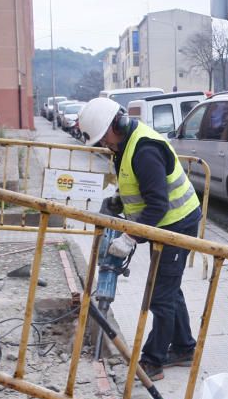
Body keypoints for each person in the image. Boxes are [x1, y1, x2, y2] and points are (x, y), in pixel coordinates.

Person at [78, 97, 202, 381]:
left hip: (177, 224)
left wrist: (130, 237)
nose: (102, 145)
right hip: (164, 225)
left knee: (160, 296)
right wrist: (118, 202)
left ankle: (153, 361)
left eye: (102, 138)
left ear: (116, 124)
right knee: (169, 288)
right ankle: (184, 347)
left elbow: (157, 204)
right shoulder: (124, 145)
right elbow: (139, 186)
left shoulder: (145, 150)